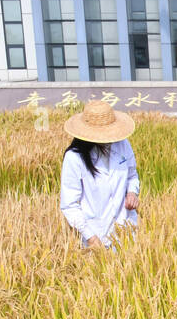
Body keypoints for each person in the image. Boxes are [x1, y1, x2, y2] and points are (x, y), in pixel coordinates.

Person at [60, 100, 140, 252]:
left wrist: (132, 193)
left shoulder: (123, 144)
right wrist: (91, 238)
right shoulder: (74, 158)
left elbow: (132, 176)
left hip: (126, 230)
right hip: (94, 234)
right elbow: (69, 205)